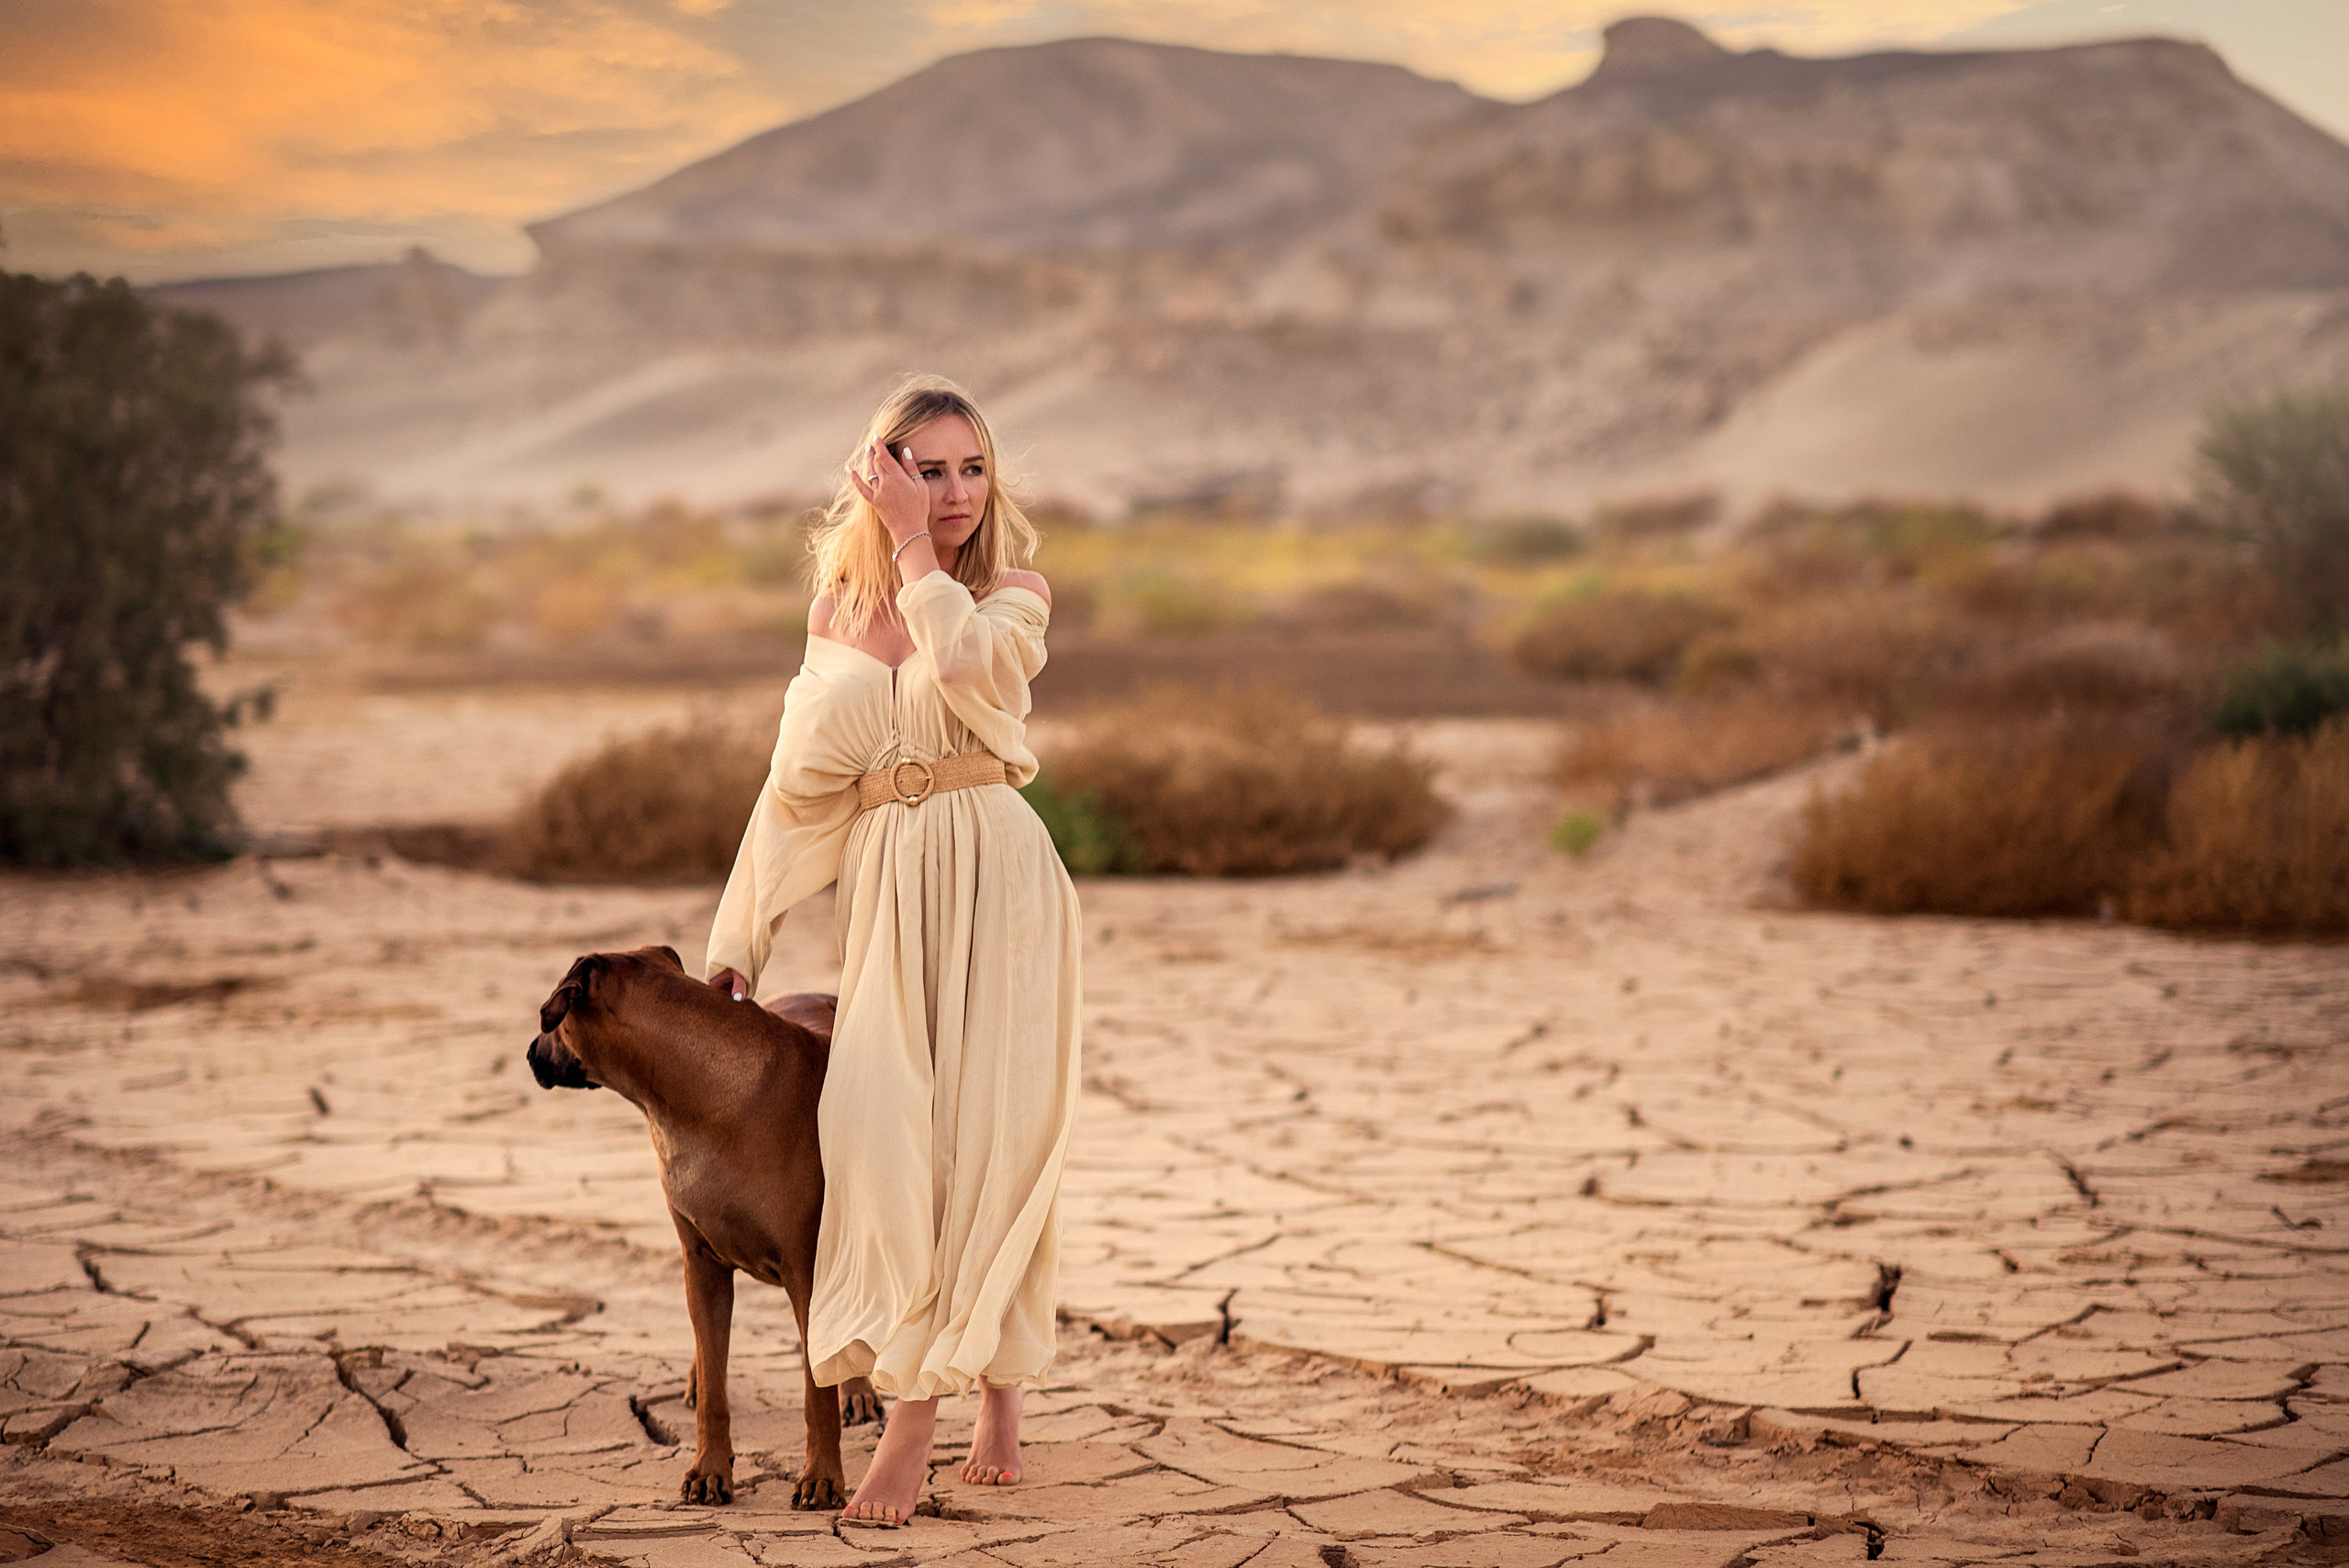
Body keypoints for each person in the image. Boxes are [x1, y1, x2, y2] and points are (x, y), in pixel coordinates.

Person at [704, 375, 1081, 1528]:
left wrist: (920, 554)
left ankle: (949, 1412)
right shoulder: (832, 609)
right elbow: (796, 787)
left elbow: (970, 673)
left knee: (991, 1134)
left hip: (1000, 873)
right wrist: (742, 934)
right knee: (884, 1138)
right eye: (927, 468)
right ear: (877, 471)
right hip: (887, 884)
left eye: (972, 468)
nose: (954, 491)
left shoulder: (1013, 590)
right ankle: (945, 1380)